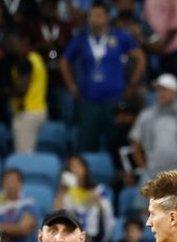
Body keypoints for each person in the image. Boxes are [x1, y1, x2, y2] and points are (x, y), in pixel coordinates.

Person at [61, 2, 146, 153]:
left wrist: (132, 84)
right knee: (86, 146)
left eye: (98, 15)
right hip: (89, 101)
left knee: (116, 146)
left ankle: (118, 175)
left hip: (115, 100)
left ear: (108, 17)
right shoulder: (81, 39)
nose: (94, 19)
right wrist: (71, 86)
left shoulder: (120, 37)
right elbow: (64, 61)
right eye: (91, 16)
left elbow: (140, 58)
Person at [130, 74, 177, 184]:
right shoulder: (146, 116)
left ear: (175, 92)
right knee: (143, 201)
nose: (160, 94)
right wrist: (144, 167)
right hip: (153, 174)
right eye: (158, 90)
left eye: (164, 90)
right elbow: (135, 142)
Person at [52, 156, 115, 242]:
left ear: (85, 169)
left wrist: (97, 201)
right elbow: (56, 215)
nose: (74, 170)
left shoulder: (98, 190)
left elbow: (108, 214)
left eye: (77, 166)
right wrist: (62, 191)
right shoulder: (65, 194)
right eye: (71, 167)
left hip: (92, 241)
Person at [9, 33, 49, 154]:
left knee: (24, 155)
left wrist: (6, 90)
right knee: (29, 153)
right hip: (38, 110)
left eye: (13, 44)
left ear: (23, 44)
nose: (10, 48)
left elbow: (22, 88)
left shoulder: (26, 62)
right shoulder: (36, 58)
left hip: (27, 113)